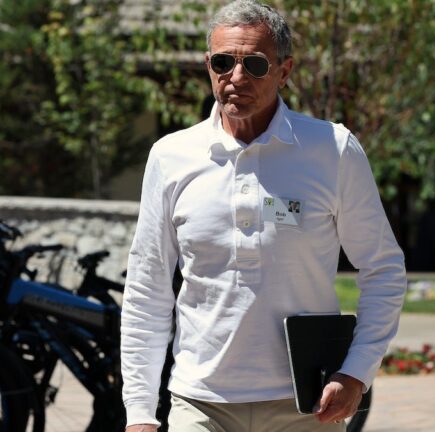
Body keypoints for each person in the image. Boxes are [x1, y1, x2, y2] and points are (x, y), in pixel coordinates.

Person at [121, 1, 406, 431]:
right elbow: (147, 287)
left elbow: (383, 268)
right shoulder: (170, 156)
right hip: (200, 404)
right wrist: (140, 412)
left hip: (307, 406)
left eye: (254, 64)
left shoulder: (332, 150)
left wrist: (356, 372)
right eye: (223, 63)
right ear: (208, 65)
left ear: (284, 71)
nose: (236, 77)